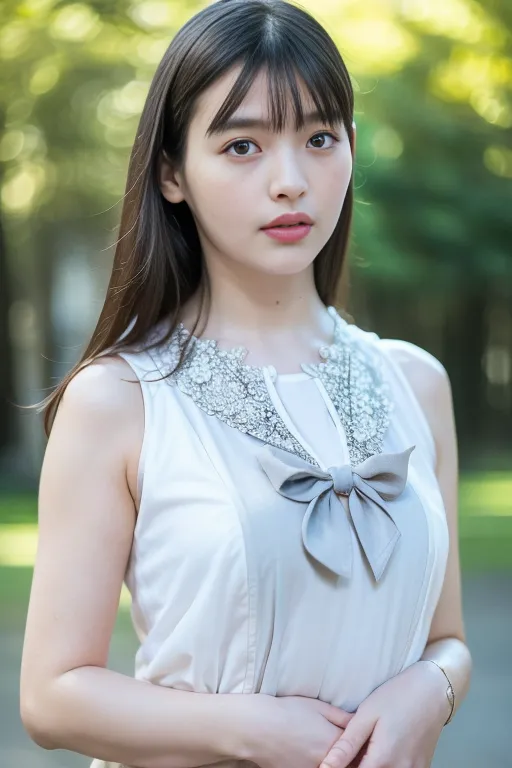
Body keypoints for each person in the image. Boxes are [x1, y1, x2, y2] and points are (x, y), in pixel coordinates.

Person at [19, 1, 472, 767]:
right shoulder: (120, 399)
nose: (290, 182)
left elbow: (448, 639)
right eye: (242, 145)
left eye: (320, 138)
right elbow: (52, 694)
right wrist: (253, 729)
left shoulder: (415, 384)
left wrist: (432, 688)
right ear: (171, 173)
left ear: (352, 150)